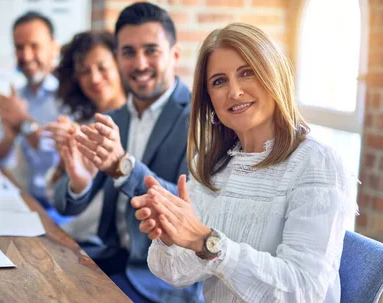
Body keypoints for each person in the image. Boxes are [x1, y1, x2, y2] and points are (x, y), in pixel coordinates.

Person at [132, 23, 356, 303]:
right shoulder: (213, 165)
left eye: (246, 72)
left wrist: (207, 243)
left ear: (272, 74)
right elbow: (176, 274)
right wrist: (170, 235)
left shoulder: (316, 163)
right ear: (209, 100)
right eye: (219, 81)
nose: (234, 91)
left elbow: (304, 290)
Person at [52, 3, 203, 302]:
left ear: (174, 55)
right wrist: (79, 183)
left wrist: (123, 166)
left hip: (160, 280)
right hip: (110, 260)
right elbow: (65, 205)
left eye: (151, 50)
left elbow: (193, 209)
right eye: (128, 52)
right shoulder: (116, 117)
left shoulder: (200, 120)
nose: (139, 63)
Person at [45, 30, 126, 242]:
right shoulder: (82, 125)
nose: (95, 78)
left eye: (102, 67)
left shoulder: (137, 121)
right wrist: (66, 157)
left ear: (119, 64)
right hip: (73, 234)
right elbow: (55, 196)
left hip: (102, 243)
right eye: (84, 71)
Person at [0, 11, 61, 209]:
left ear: (54, 48)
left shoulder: (68, 97)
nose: (26, 55)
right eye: (19, 47)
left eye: (35, 46)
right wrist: (9, 136)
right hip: (22, 201)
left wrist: (24, 122)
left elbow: (55, 161)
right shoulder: (18, 96)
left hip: (57, 209)